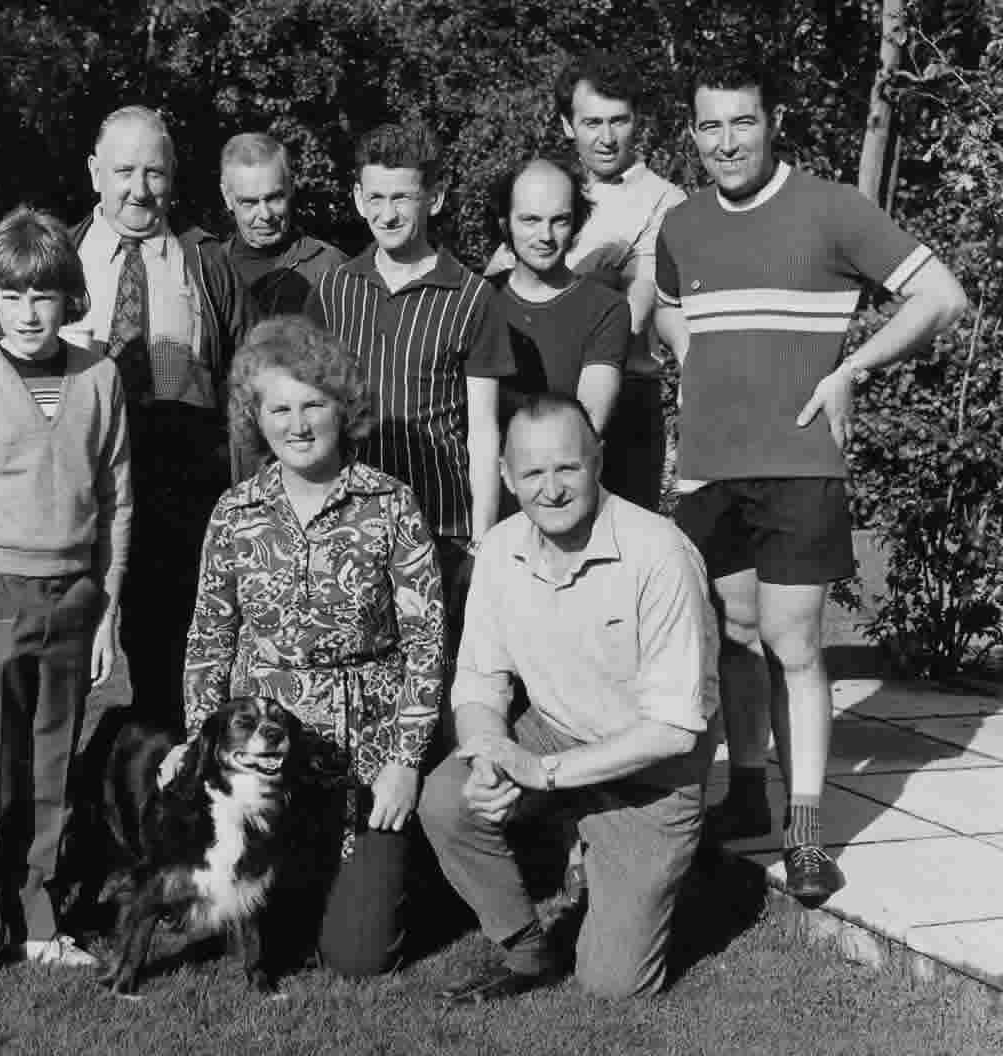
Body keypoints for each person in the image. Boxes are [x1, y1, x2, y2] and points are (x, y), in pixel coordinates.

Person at [654, 55, 968, 901]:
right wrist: (697, 369)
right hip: (708, 472)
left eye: (742, 121)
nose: (727, 141)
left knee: (794, 646)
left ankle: (804, 836)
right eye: (711, 126)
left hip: (798, 467)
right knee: (732, 641)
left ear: (774, 121)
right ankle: (747, 792)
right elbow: (671, 304)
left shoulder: (830, 207)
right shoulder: (681, 225)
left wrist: (851, 371)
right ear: (693, 133)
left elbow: (942, 295)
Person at [418, 393, 718, 1003]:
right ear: (506, 476)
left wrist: (540, 773)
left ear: (598, 461)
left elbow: (674, 730)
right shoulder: (499, 550)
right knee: (448, 801)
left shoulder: (659, 554)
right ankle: (525, 950)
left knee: (614, 986)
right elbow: (479, 680)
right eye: (531, 472)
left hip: (652, 771)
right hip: (555, 733)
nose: (550, 489)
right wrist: (487, 756)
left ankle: (656, 863)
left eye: (567, 468)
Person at [174, 315, 444, 978]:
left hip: (365, 757)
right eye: (280, 408)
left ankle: (406, 876)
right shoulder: (235, 511)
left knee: (360, 957)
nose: (298, 425)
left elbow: (427, 642)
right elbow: (210, 634)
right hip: (258, 762)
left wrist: (406, 764)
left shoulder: (392, 505)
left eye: (314, 405)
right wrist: (198, 747)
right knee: (273, 945)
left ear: (342, 410)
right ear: (256, 419)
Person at [0, 205, 133, 987]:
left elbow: (117, 503)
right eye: (10, 297)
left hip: (74, 597)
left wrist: (108, 610)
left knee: (51, 767)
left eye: (42, 296)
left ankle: (39, 918)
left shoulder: (100, 377)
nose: (26, 313)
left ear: (68, 298)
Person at [65, 105, 255, 733]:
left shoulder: (208, 264)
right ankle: (60, 808)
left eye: (154, 173)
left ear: (173, 179)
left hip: (181, 487)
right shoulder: (56, 256)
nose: (138, 189)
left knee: (171, 652)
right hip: (76, 481)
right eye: (124, 171)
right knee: (64, 649)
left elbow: (246, 384)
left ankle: (162, 788)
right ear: (95, 172)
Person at [305, 121, 512, 642]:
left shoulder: (472, 298)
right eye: (375, 197)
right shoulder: (332, 292)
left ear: (435, 198)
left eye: (402, 197)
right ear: (357, 197)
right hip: (348, 523)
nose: (388, 213)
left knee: (434, 683)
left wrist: (482, 540)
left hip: (439, 526)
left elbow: (483, 430)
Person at [488, 52, 686, 511]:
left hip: (622, 403)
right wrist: (598, 278)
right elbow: (496, 289)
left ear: (638, 123)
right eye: (592, 122)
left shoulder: (666, 203)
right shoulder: (543, 188)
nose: (607, 138)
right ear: (566, 125)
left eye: (619, 121)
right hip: (524, 391)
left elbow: (631, 317)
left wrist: (563, 289)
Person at [488, 158, 629, 431]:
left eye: (560, 221)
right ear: (505, 223)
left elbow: (585, 427)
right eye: (530, 220)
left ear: (576, 222)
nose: (546, 236)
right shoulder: (477, 300)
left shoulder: (606, 309)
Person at [217, 132, 347, 316]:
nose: (265, 214)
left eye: (274, 198)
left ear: (291, 187)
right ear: (227, 197)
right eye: (249, 202)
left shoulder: (330, 267)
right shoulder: (210, 270)